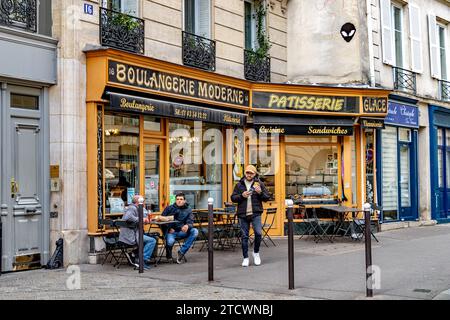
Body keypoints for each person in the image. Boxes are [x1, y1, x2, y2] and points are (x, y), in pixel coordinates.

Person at [231, 165, 271, 267]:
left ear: (254, 174)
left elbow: (267, 198)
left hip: (255, 213)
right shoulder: (239, 184)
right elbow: (233, 198)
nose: (249, 175)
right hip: (243, 214)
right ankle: (245, 258)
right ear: (245, 173)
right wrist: (241, 196)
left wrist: (260, 192)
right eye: (247, 172)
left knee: (258, 233)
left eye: (251, 173)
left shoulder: (259, 184)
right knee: (244, 236)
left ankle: (256, 252)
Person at [119, 195, 156, 270]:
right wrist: (141, 219)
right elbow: (128, 218)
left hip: (133, 234)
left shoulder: (137, 208)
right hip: (130, 236)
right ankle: (142, 260)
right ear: (138, 202)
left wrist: (144, 219)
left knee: (152, 237)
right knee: (152, 241)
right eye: (142, 201)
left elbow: (143, 217)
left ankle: (136, 256)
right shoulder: (132, 208)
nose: (143, 203)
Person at [161, 193, 198, 264]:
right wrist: (168, 229)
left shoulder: (188, 209)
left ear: (184, 201)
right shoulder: (169, 208)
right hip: (171, 232)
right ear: (175, 200)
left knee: (195, 231)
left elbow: (191, 221)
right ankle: (169, 256)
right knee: (170, 242)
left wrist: (187, 225)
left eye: (181, 199)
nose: (179, 201)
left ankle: (181, 252)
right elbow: (161, 220)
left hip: (182, 231)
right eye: (177, 199)